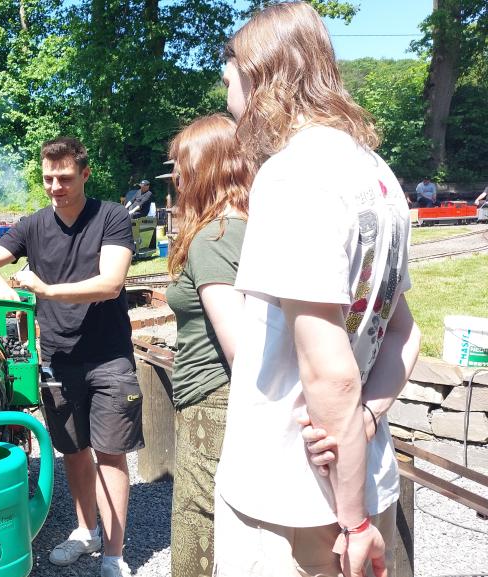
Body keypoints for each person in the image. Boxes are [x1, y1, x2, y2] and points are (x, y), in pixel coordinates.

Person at [213, 4, 423, 577]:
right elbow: (404, 331)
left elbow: (330, 370)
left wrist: (352, 524)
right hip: (353, 472)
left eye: (228, 80)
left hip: (290, 497)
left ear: (258, 74)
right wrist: (368, 420)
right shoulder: (378, 174)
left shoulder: (293, 175)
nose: (228, 100)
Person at [0, 137, 140, 577]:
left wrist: (46, 290)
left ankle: (114, 554)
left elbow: (111, 283)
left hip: (109, 358)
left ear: (85, 174)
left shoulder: (112, 217)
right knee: (73, 450)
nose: (55, 187)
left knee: (111, 453)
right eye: (48, 178)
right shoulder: (33, 225)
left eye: (64, 178)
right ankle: (85, 532)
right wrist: (1, 286)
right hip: (57, 358)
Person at [163, 114, 253, 577]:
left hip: (211, 402)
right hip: (225, 399)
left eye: (181, 166)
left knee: (199, 523)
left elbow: (240, 347)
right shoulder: (247, 224)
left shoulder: (213, 238)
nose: (176, 179)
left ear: (204, 167)